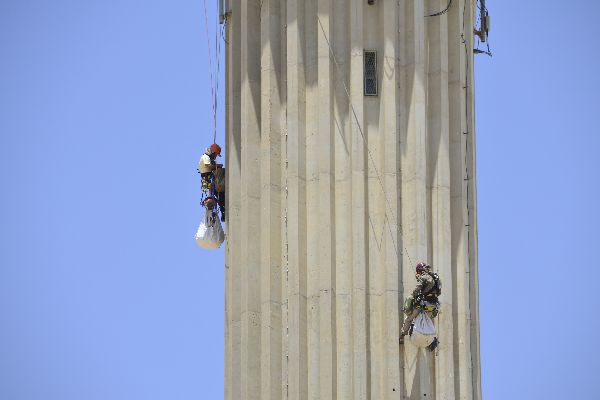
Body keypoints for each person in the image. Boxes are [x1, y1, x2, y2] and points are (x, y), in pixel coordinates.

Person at [399, 262, 441, 351]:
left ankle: (402, 335)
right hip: (432, 306)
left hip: (423, 304)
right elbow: (438, 292)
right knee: (428, 322)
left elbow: (416, 290)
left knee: (409, 319)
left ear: (420, 271)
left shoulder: (424, 277)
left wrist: (414, 297)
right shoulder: (436, 278)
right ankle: (433, 342)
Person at [198, 143, 226, 221]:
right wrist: (218, 166)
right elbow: (208, 166)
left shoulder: (208, 158)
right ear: (213, 152)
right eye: (216, 155)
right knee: (219, 194)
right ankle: (222, 212)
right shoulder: (205, 157)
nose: (216, 156)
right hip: (208, 179)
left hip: (210, 179)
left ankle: (223, 212)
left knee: (220, 195)